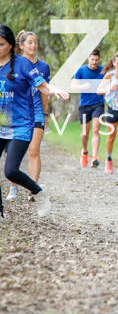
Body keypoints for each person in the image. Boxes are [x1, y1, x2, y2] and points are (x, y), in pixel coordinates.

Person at [0, 24, 69, 221]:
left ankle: (39, 193)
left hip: (20, 125)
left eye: (1, 44)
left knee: (11, 171)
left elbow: (43, 86)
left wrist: (55, 90)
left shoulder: (23, 64)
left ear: (10, 45)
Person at [6, 30, 50, 201]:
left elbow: (44, 91)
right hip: (16, 113)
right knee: (11, 153)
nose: (34, 45)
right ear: (22, 45)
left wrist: (45, 114)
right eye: (30, 42)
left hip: (36, 112)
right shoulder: (12, 64)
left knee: (34, 150)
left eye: (35, 42)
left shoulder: (44, 67)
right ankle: (13, 187)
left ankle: (33, 190)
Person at [97, 53, 118, 174]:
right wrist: (109, 88)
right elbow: (99, 91)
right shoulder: (109, 75)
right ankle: (108, 160)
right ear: (114, 63)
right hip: (112, 109)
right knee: (111, 136)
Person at [73, 49, 104, 168]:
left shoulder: (102, 71)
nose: (94, 62)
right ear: (88, 58)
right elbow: (73, 85)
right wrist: (82, 86)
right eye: (92, 59)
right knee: (85, 133)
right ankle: (85, 151)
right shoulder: (81, 70)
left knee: (96, 130)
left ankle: (94, 157)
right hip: (85, 105)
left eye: (96, 60)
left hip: (98, 104)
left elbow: (108, 83)